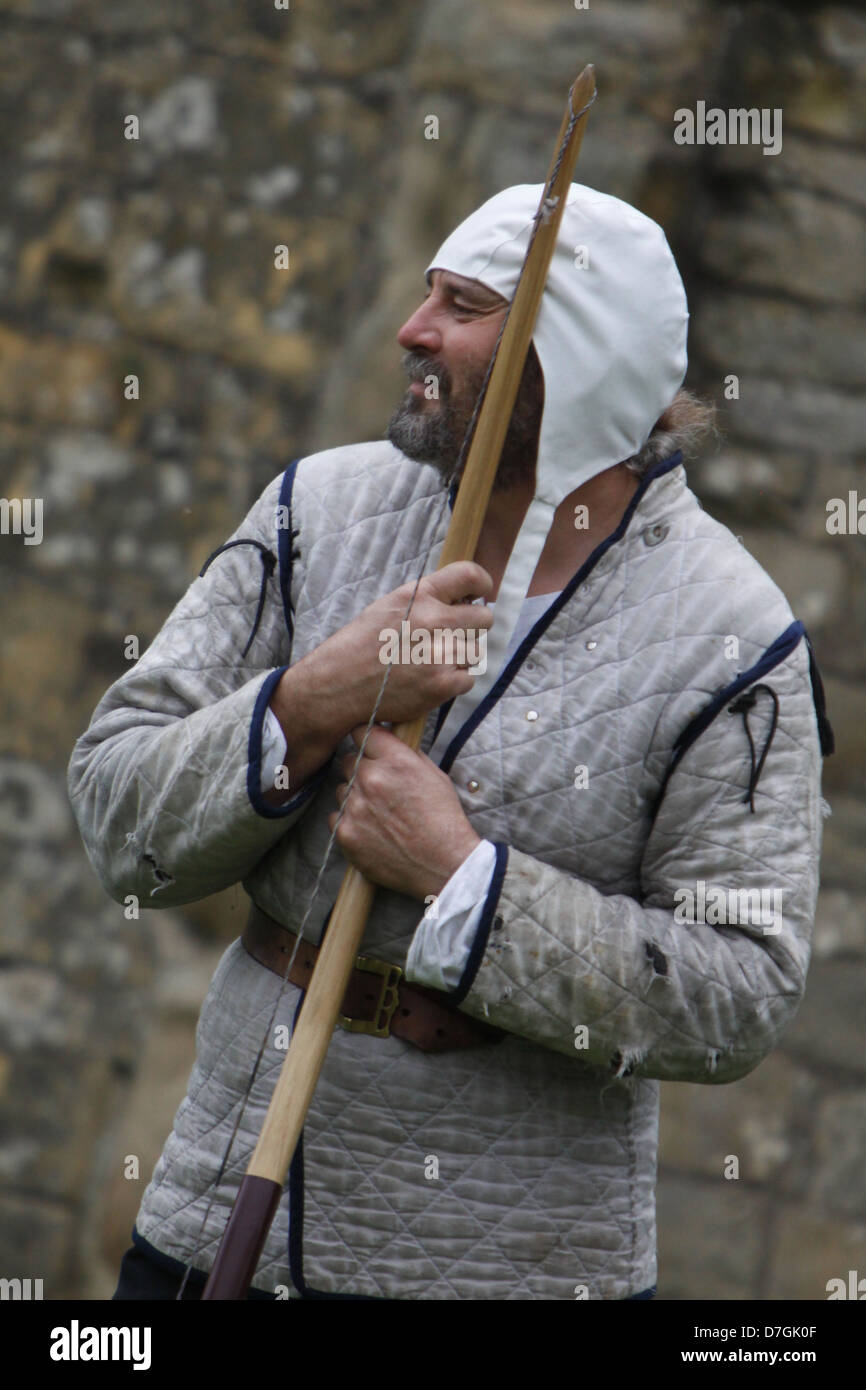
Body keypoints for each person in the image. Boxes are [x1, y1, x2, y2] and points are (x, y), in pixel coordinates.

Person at [68, 183, 833, 1301]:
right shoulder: (313, 513)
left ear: (570, 360)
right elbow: (115, 816)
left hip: (513, 1261)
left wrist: (464, 880)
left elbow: (738, 995)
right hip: (218, 1214)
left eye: (461, 305)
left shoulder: (729, 636)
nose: (411, 329)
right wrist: (313, 696)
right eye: (425, 292)